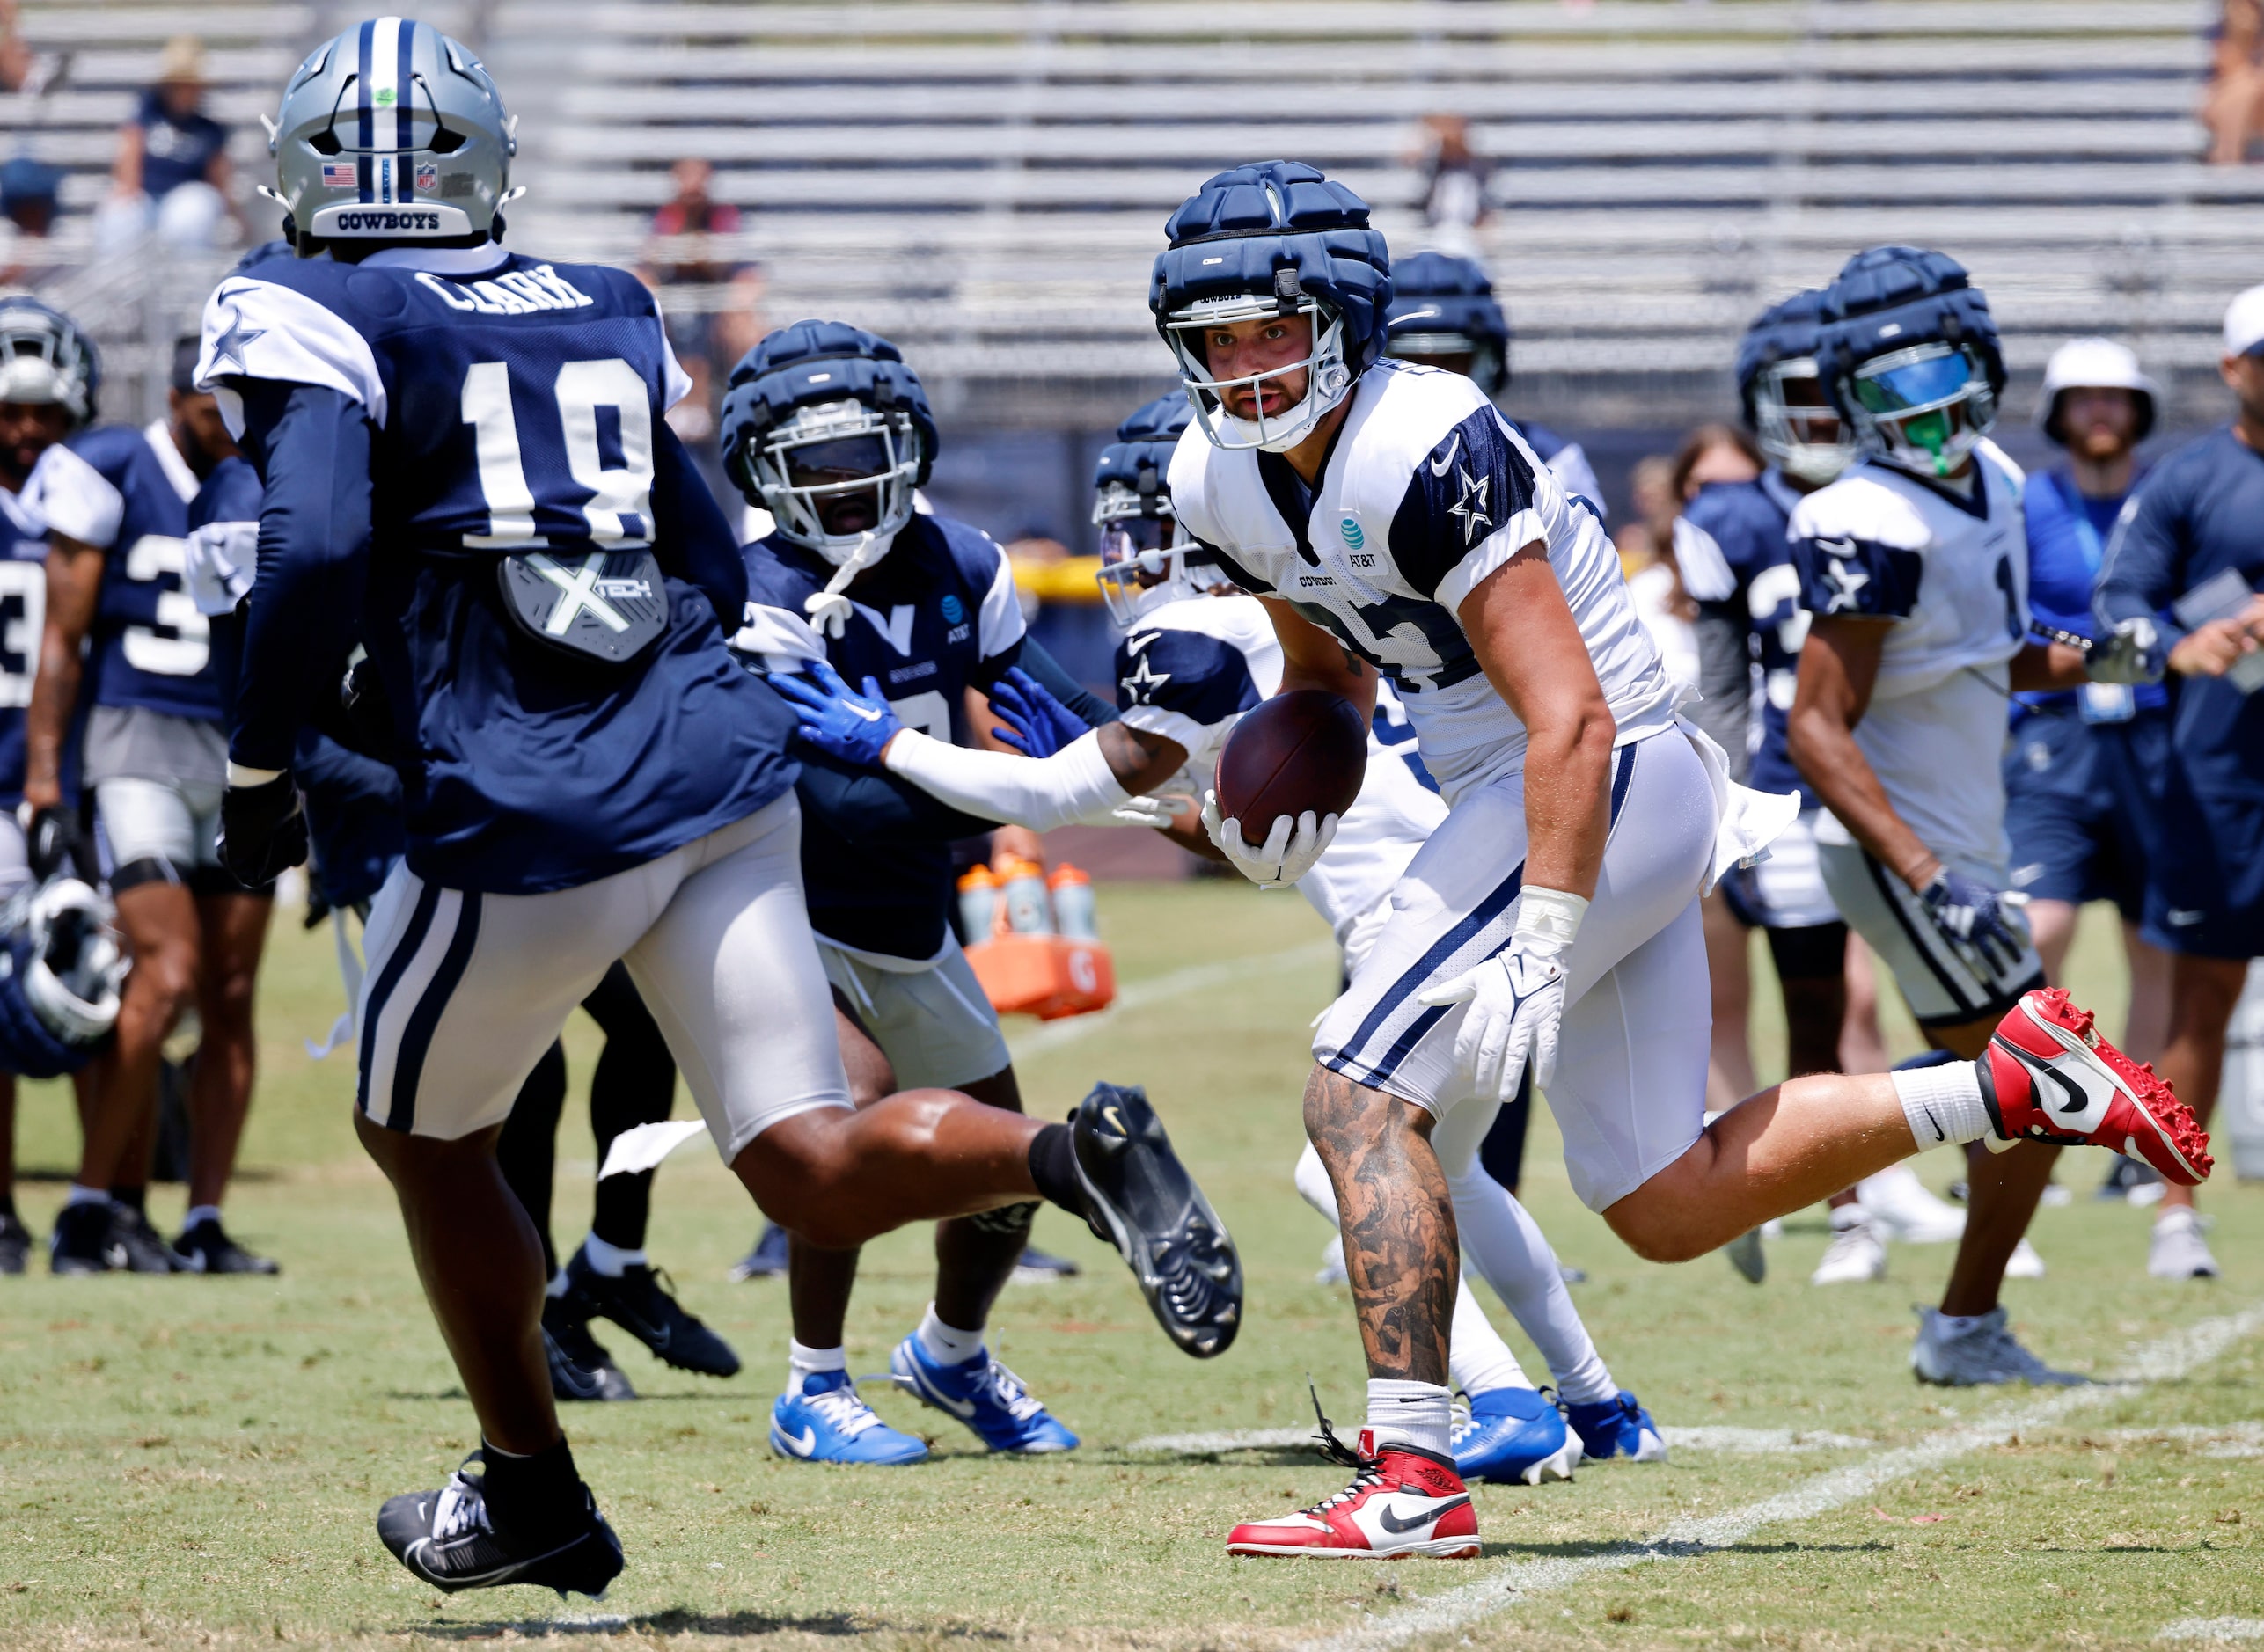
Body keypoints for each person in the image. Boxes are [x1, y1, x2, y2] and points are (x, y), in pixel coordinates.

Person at [198, 18, 1235, 1597]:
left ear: (303, 166)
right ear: (487, 160)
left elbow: (318, 542)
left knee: (415, 1133)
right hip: (716, 768)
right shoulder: (603, 300)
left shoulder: (295, 300)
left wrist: (263, 769)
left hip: (526, 794)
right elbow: (694, 541)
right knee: (803, 1150)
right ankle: (1060, 1156)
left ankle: (531, 1488)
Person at [1138, 163, 2199, 1559]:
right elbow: (1327, 675)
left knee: (1353, 1092)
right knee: (1662, 1200)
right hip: (1543, 780)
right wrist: (1266, 803)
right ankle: (2010, 1081)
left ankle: (1415, 1473)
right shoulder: (1211, 471)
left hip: (1604, 769)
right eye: (1212, 338)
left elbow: (1568, 713)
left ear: (1340, 313)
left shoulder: (1421, 436)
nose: (1242, 364)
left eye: (1268, 328)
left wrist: (1543, 941)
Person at [786, 390, 1669, 1483]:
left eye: (1139, 523)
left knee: (1334, 1155)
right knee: (1453, 1170)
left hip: (1445, 912)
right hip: (1481, 885)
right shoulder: (1302, 608)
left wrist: (883, 743)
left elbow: (1066, 789)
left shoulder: (1198, 632)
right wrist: (1159, 802)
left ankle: (1494, 1401)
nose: (1125, 553)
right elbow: (1224, 827)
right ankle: (1598, 1403)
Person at [726, 321, 1134, 1463]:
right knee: (851, 1120)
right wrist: (1042, 796)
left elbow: (1059, 710)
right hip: (785, 900)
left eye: (862, 451)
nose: (844, 482)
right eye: (812, 461)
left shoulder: (961, 561)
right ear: (761, 469)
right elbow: (840, 807)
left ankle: (950, 1353)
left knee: (994, 1159)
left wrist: (1148, 758)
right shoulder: (753, 592)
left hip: (912, 903)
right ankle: (812, 1383)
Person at [1784, 246, 2162, 1380]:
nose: (1925, 408)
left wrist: (2110, 652)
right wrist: (1919, 869)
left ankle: (1958, 1318)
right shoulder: (1862, 515)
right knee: (2050, 1091)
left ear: (1982, 364)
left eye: (1937, 373)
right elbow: (1815, 725)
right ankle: (1830, 1210)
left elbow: (1987, 655)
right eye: (1890, 386)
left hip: (1964, 844)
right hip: (1906, 855)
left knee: (2040, 1097)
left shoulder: (1994, 479)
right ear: (1850, 394)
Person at [1676, 291, 1957, 1290]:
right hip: (1774, 789)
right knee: (1756, 1005)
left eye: (1834, 399)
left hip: (1875, 785)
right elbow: (1718, 677)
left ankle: (1862, 1202)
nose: (1818, 421)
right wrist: (1714, 795)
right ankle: (1793, 1196)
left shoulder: (1897, 503)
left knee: (1879, 999)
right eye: (1796, 399)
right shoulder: (1732, 516)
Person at [23, 335, 275, 1275]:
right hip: (134, 742)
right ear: (177, 399)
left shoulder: (273, 469)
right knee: (162, 976)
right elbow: (64, 636)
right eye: (216, 411)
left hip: (238, 753)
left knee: (233, 997)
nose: (234, 429)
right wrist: (48, 773)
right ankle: (92, 1206)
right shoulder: (118, 466)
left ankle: (204, 1220)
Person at [2092, 283, 2264, 1283]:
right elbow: (2113, 619)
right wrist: (2181, 642)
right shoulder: (2186, 482)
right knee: (2201, 998)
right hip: (2220, 781)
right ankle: (2173, 1211)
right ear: (2231, 368)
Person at [2010, 337, 2178, 1220]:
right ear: (2058, 413)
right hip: (2053, 741)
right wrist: (2098, 651)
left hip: (2160, 741)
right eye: (2083, 399)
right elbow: (2015, 615)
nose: (2100, 413)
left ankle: (2137, 1146)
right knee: (2038, 934)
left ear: (2138, 410)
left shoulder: (2168, 494)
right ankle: (2018, 1127)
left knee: (2155, 945)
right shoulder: (2026, 501)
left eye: (2115, 398)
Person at [0, 298, 99, 1272]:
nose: (29, 431)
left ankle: (99, 1205)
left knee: (94, 996)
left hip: (76, 786)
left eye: (46, 413)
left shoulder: (91, 503)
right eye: (11, 412)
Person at [95, 37, 244, 259]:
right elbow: (131, 146)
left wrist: (235, 214)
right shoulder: (148, 112)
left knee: (192, 211)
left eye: (189, 85)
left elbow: (218, 176)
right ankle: (116, 285)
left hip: (184, 197)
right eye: (178, 85)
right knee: (120, 214)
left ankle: (188, 286)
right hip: (145, 195)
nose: (184, 92)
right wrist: (128, 187)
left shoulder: (210, 129)